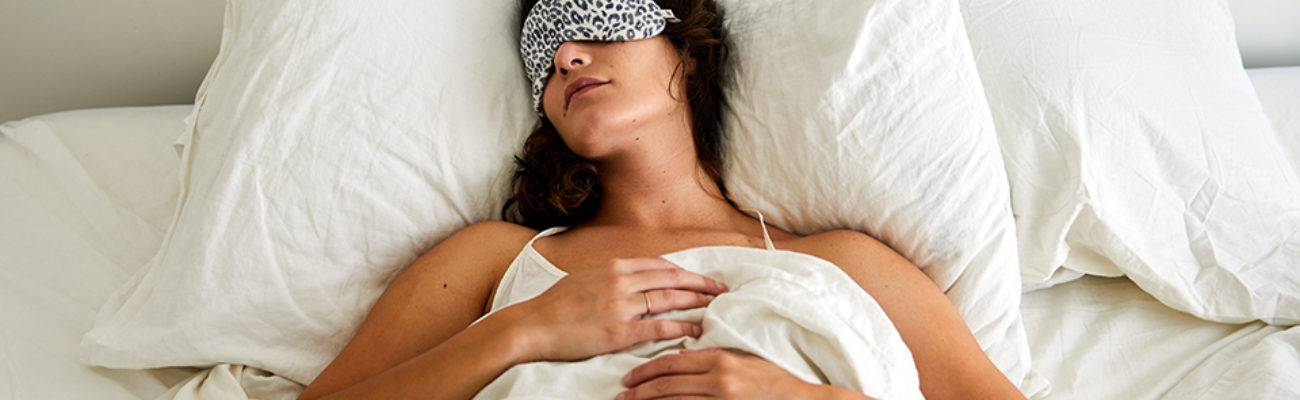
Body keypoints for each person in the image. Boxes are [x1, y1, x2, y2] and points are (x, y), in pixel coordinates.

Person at [298, 0, 1025, 399]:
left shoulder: (843, 263)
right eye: (543, 59)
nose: (565, 56)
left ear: (683, 42)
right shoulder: (496, 259)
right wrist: (520, 332)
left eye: (591, 23)